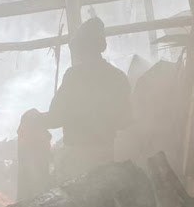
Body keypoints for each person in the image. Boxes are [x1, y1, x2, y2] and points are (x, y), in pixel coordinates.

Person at [43, 17, 131, 180]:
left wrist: (36, 118)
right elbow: (125, 121)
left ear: (80, 49)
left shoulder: (73, 76)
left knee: (78, 203)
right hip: (106, 157)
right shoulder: (118, 77)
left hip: (77, 161)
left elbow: (55, 119)